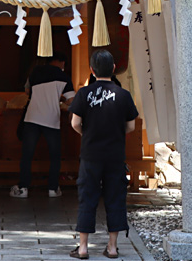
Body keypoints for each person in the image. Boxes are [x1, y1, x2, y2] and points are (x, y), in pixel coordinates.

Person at [68, 49, 138, 260]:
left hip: (91, 154)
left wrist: (87, 134)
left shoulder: (83, 93)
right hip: (115, 155)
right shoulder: (123, 95)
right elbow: (131, 126)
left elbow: (75, 123)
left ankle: (82, 248)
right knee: (115, 198)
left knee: (87, 197)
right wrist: (115, 133)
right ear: (114, 69)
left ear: (92, 70)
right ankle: (113, 247)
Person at [10, 51, 76, 199]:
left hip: (32, 117)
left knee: (27, 154)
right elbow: (72, 101)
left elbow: (28, 91)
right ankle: (53, 189)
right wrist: (58, 99)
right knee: (54, 155)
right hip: (51, 120)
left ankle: (23, 188)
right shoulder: (64, 77)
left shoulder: (35, 72)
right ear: (62, 63)